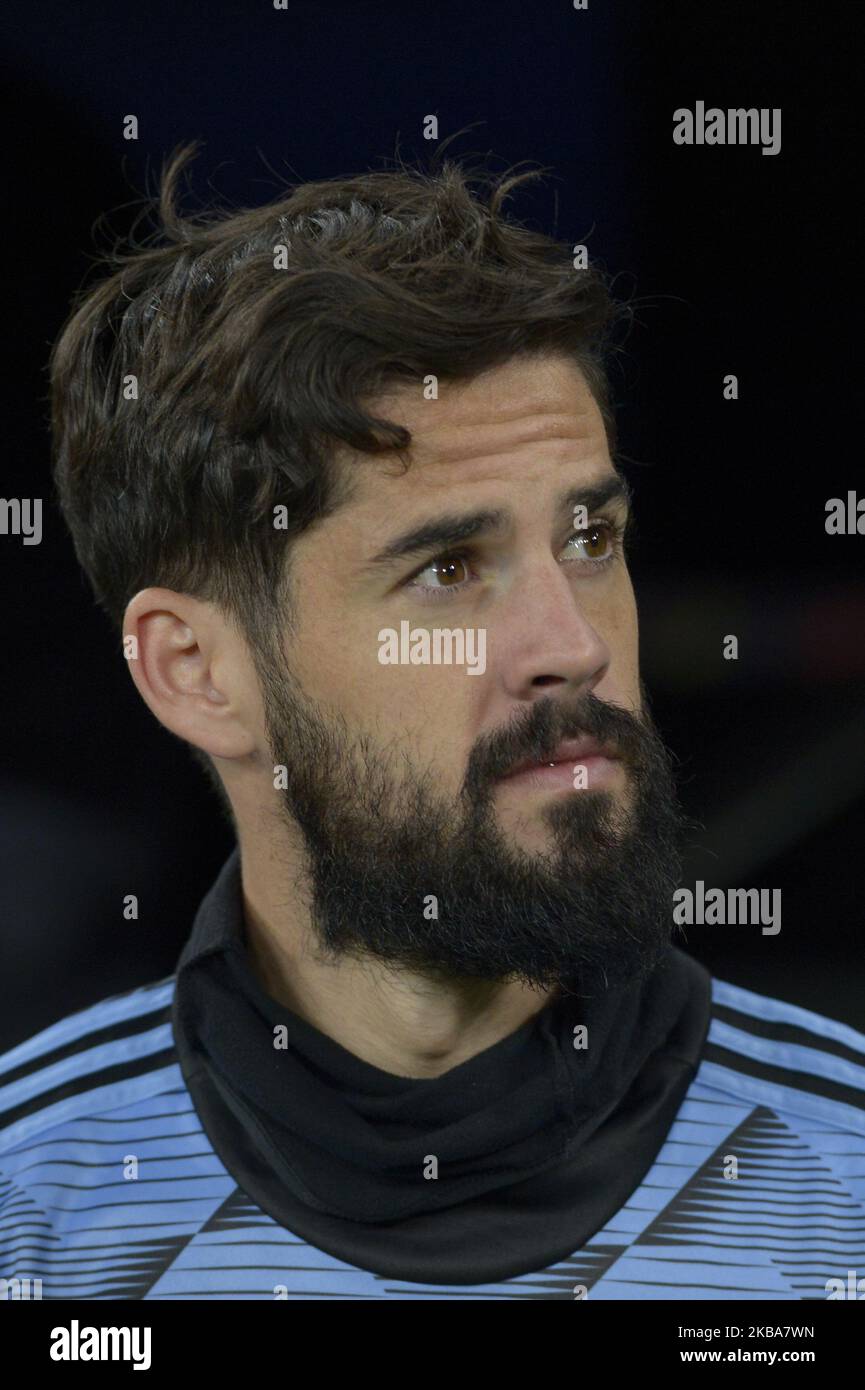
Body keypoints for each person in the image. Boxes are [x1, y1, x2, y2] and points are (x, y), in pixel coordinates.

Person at [1, 146, 863, 1301]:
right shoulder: (32, 1212)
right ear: (196, 672)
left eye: (588, 540)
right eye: (449, 567)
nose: (575, 644)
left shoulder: (841, 1183)